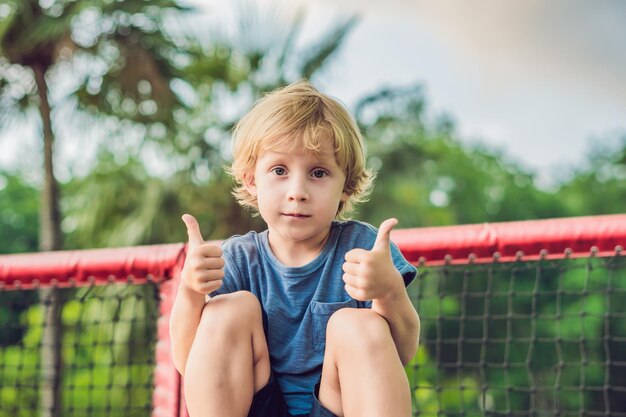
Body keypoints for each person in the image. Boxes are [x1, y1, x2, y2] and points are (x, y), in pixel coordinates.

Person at [169, 80, 420, 417]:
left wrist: (389, 292)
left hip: (337, 405)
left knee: (359, 325)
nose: (297, 191)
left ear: (345, 186)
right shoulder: (237, 259)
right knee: (228, 310)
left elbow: (402, 352)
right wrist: (190, 292)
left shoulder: (365, 250)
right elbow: (189, 362)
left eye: (318, 172)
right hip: (254, 405)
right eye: (279, 170)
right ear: (251, 180)